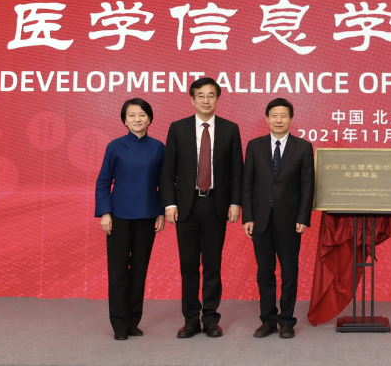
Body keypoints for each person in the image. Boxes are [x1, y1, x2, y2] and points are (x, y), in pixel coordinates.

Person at [161, 77, 243, 339]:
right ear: (192, 99)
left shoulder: (230, 129)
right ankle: (190, 320)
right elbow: (168, 171)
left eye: (211, 95)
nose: (206, 100)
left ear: (217, 99)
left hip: (216, 205)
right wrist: (170, 203)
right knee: (188, 266)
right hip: (186, 206)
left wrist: (235, 202)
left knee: (212, 265)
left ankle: (210, 319)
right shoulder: (178, 128)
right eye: (201, 95)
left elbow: (237, 171)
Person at [242, 98, 314, 339]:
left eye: (283, 115)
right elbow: (247, 183)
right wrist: (248, 216)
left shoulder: (303, 147)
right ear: (267, 118)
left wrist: (303, 217)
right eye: (274, 115)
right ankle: (268, 320)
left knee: (289, 273)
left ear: (291, 118)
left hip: (290, 220)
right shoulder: (255, 146)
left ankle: (286, 321)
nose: (279, 120)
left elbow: (307, 185)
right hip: (260, 219)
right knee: (265, 272)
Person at [94, 98, 166, 340]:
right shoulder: (115, 146)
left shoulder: (158, 147)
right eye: (132, 115)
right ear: (124, 120)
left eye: (142, 114)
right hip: (118, 216)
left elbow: (164, 182)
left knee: (139, 270)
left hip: (147, 215)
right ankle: (119, 324)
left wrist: (161, 211)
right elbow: (104, 181)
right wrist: (105, 213)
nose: (137, 119)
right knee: (118, 272)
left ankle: (133, 321)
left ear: (150, 118)